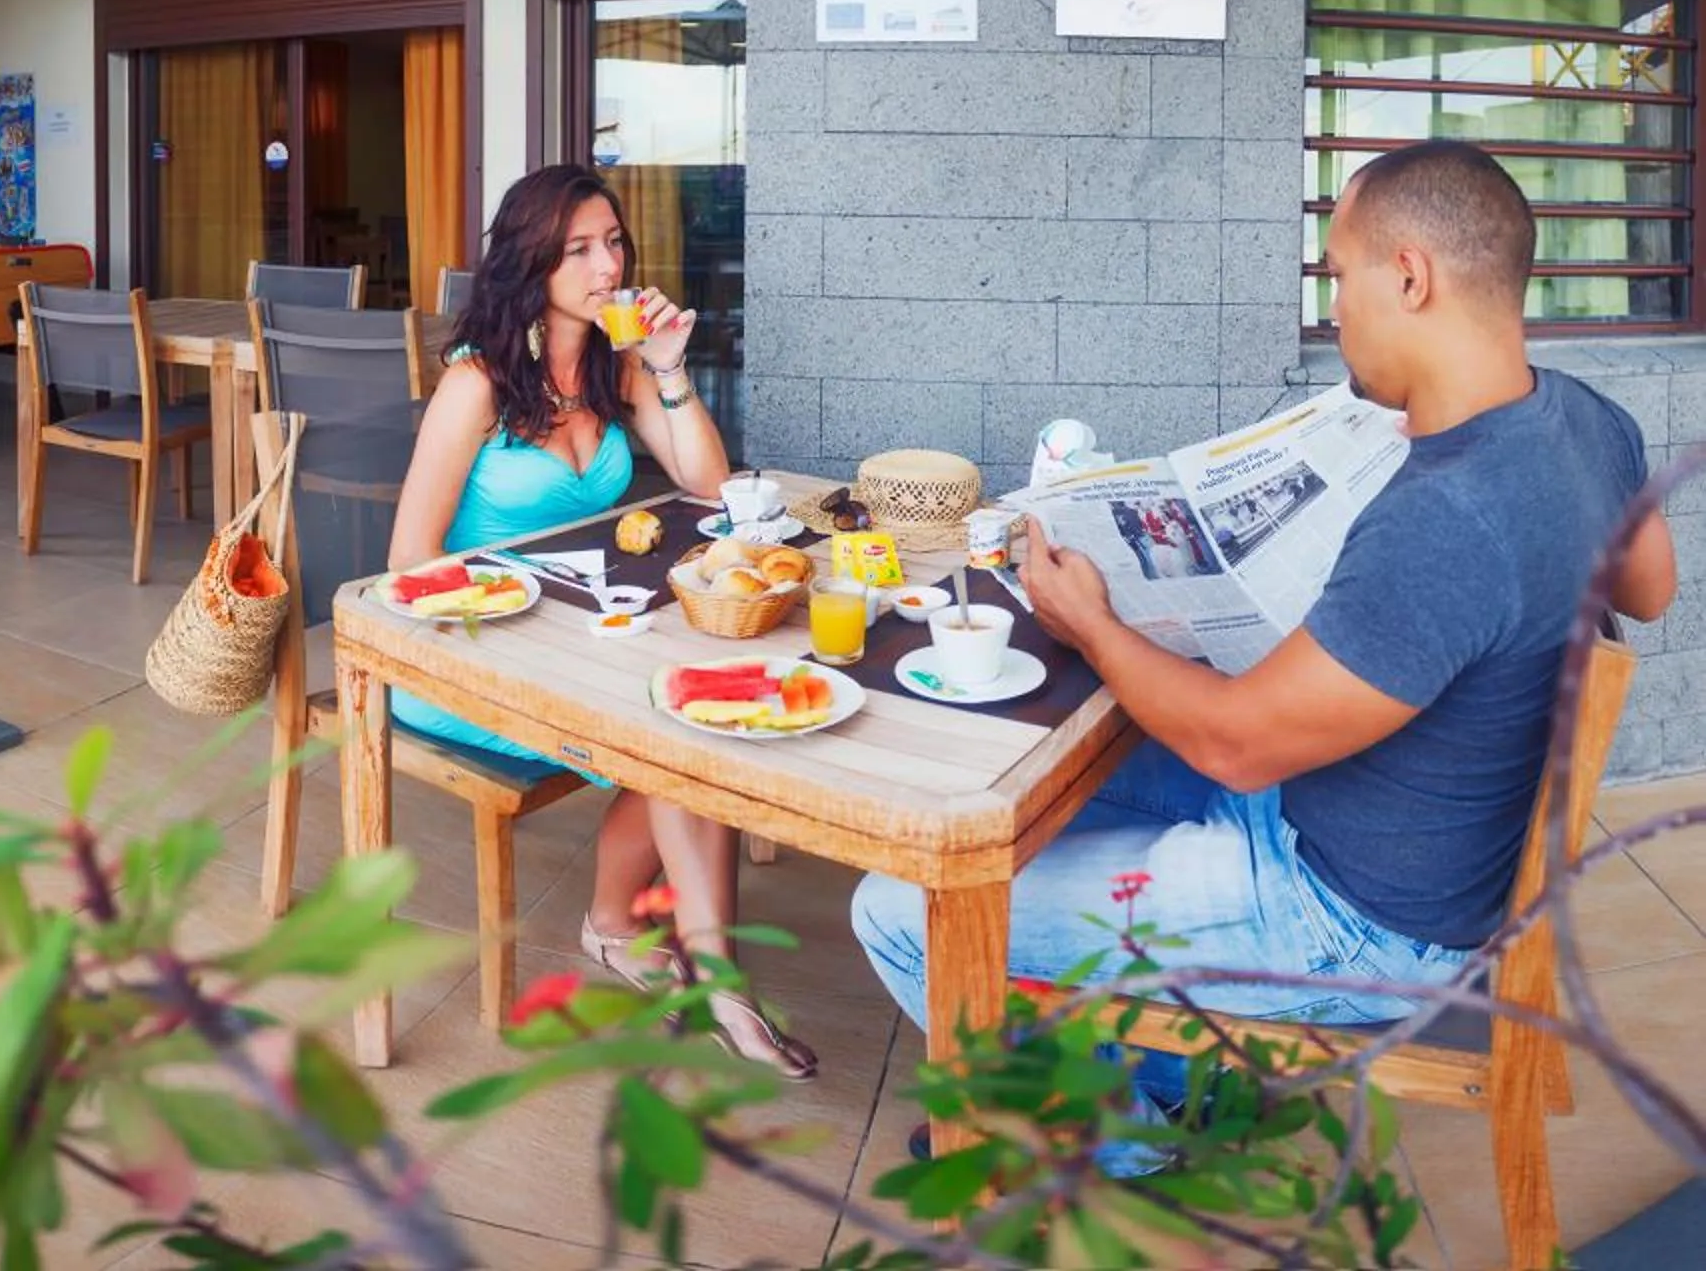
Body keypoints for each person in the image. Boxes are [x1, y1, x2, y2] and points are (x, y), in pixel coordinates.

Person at [851, 142, 1675, 1169]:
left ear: (1410, 275)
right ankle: (1166, 1075)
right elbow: (1650, 587)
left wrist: (1094, 622)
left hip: (1354, 916)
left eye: (1339, 277)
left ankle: (1114, 1136)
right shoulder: (1583, 419)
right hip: (1379, 822)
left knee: (898, 907)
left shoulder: (1450, 515)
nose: (1336, 314)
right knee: (1022, 800)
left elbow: (1239, 748)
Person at [392, 165, 815, 1079]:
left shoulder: (613, 366)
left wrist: (667, 370)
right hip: (465, 658)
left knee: (697, 720)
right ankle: (694, 966)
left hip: (580, 638)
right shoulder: (475, 386)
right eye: (579, 247)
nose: (605, 263)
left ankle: (634, 934)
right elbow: (408, 561)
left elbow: (712, 486)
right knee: (671, 733)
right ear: (531, 262)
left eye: (613, 242)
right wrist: (506, 609)